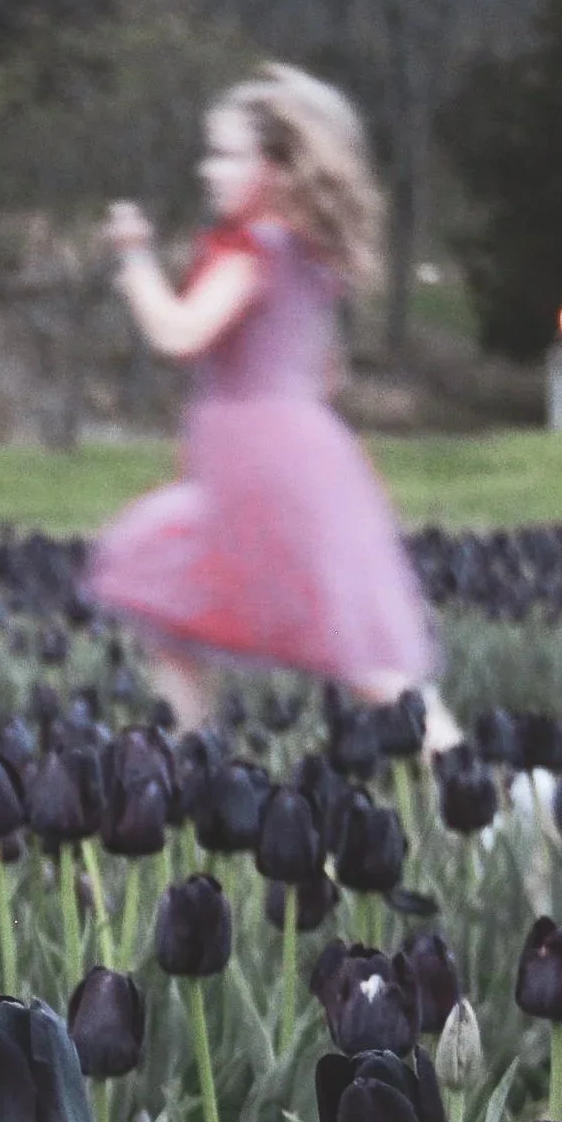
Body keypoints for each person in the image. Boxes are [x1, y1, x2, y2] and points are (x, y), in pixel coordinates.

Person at [86, 62, 461, 753]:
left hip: (261, 464)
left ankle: (480, 791)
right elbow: (324, 370)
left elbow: (178, 333)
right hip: (290, 449)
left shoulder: (255, 248)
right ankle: (179, 762)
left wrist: (135, 259)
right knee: (185, 613)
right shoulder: (309, 253)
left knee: (349, 652)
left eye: (227, 155)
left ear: (279, 168)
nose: (208, 170)